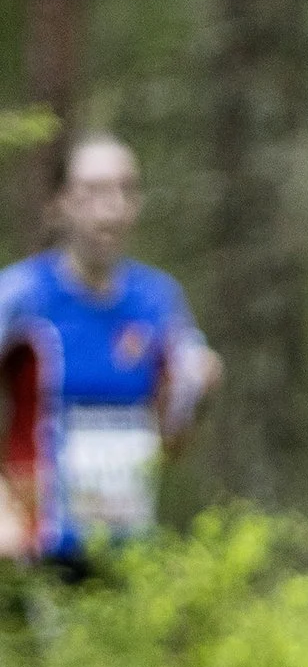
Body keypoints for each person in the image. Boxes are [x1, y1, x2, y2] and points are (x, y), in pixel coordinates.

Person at [0, 134, 220, 567]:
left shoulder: (159, 300)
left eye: (126, 189)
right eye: (95, 190)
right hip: (33, 554)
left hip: (127, 552)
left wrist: (200, 394)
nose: (112, 206)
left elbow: (172, 443)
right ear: (61, 202)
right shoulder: (20, 295)